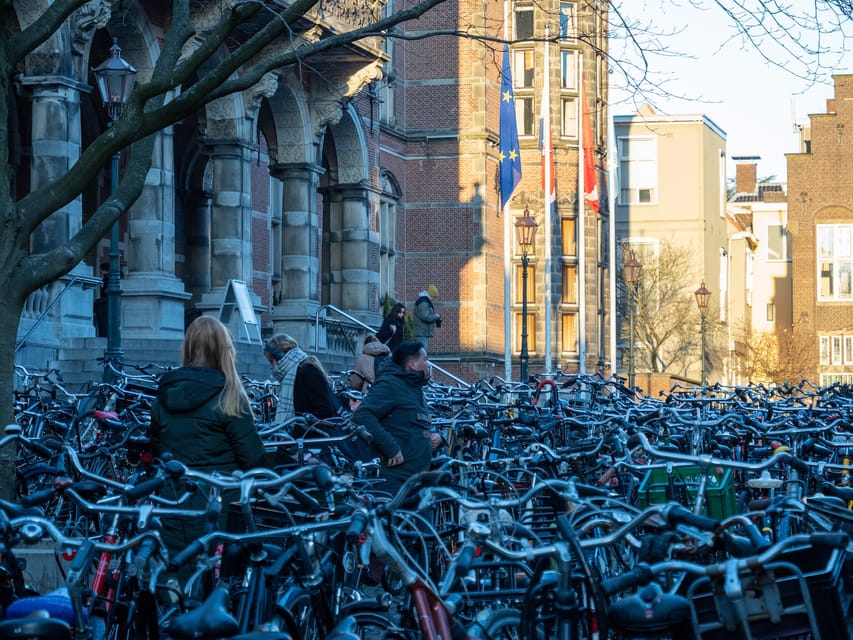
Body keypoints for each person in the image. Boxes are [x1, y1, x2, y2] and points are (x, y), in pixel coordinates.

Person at [149, 316, 269, 560]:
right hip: (219, 499)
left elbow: (156, 447)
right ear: (224, 350)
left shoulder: (164, 396)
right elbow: (252, 458)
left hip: (174, 496)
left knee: (177, 565)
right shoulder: (229, 396)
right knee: (216, 569)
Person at [351, 341, 442, 495]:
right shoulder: (390, 384)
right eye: (425, 360)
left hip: (416, 478)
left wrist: (435, 438)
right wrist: (391, 448)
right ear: (412, 364)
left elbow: (412, 422)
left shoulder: (414, 388)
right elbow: (362, 415)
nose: (428, 364)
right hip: (395, 479)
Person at [263, 333, 340, 423]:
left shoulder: (308, 370)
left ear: (280, 357)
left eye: (271, 361)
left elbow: (325, 409)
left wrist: (302, 424)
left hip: (311, 430)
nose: (270, 367)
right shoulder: (292, 373)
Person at [412, 284, 441, 353]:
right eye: (434, 297)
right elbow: (425, 317)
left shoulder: (424, 301)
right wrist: (436, 316)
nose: (433, 299)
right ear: (431, 295)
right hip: (422, 333)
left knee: (421, 354)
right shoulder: (423, 303)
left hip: (423, 332)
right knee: (422, 354)